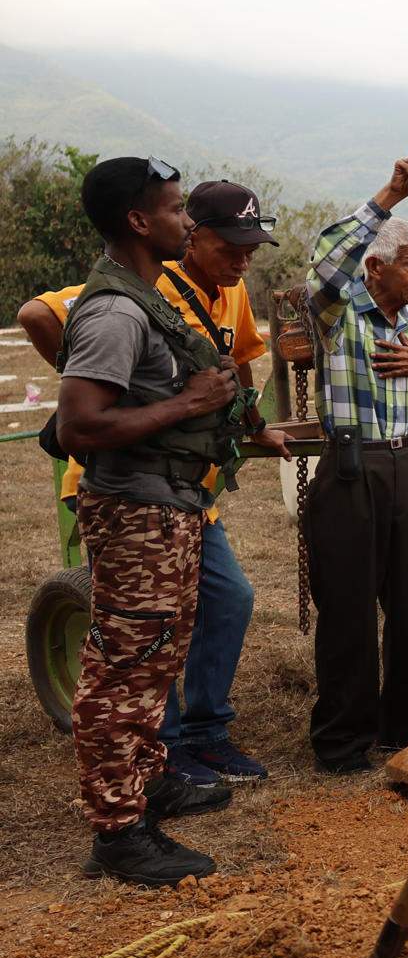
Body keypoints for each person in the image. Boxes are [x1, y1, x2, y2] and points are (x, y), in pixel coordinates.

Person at [20, 180, 291, 790]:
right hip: (127, 485)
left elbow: (235, 359)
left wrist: (254, 424)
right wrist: (96, 379)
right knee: (149, 631)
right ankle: (160, 753)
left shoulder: (232, 290)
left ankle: (204, 734)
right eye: (232, 248)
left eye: (252, 249)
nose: (243, 261)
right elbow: (37, 313)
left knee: (225, 600)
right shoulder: (141, 292)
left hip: (187, 490)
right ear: (193, 235)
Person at [52, 157, 256, 884]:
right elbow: (80, 427)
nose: (187, 222)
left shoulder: (146, 296)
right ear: (139, 221)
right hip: (135, 511)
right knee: (123, 672)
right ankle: (118, 830)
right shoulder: (114, 311)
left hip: (169, 507)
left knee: (157, 658)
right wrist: (188, 405)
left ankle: (150, 780)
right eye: (175, 211)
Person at [303, 136, 408, 774]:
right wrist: (390, 195)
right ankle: (342, 741)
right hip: (352, 468)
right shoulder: (342, 314)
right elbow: (324, 268)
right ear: (376, 269)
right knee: (350, 610)